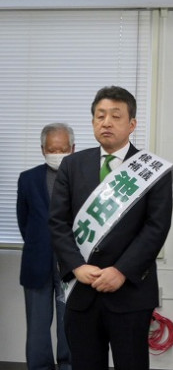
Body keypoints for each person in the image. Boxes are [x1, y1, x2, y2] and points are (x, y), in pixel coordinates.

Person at [49, 86, 173, 370]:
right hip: (82, 289)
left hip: (130, 292)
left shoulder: (151, 170)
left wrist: (121, 271)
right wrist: (76, 266)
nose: (106, 122)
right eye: (100, 116)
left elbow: (156, 227)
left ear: (132, 124)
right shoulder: (71, 165)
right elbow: (58, 222)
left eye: (115, 116)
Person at [17, 123, 75, 370]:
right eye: (52, 149)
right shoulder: (28, 179)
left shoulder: (82, 177)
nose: (57, 154)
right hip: (37, 260)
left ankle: (68, 365)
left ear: (73, 148)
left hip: (72, 263)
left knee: (69, 322)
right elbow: (24, 220)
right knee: (37, 326)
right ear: (43, 149)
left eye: (62, 149)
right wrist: (40, 243)